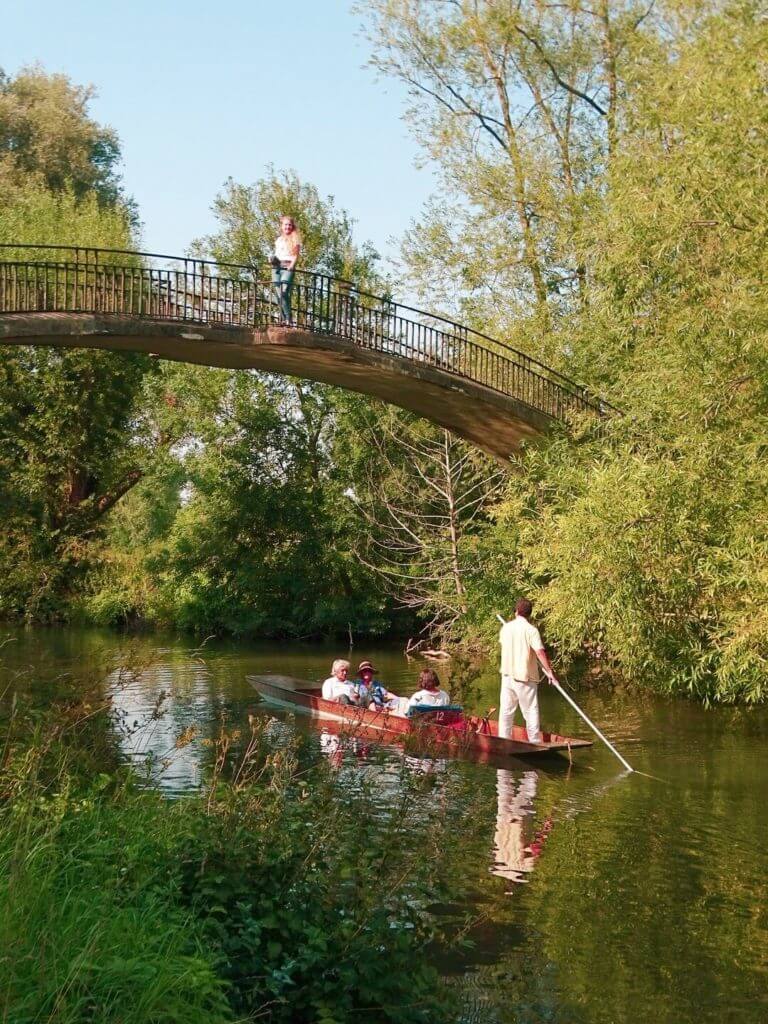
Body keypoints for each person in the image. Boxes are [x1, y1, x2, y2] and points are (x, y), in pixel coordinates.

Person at [498, 598, 559, 744]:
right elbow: (539, 652)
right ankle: (535, 742)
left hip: (507, 676)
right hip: (524, 677)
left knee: (506, 712)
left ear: (517, 611)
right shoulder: (531, 630)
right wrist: (549, 672)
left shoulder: (506, 628)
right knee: (530, 712)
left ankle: (503, 740)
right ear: (529, 614)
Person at [271, 215, 301, 324]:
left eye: (289, 225)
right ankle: (283, 319)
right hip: (277, 266)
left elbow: (296, 255)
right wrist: (272, 260)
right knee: (279, 294)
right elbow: (278, 254)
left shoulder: (295, 238)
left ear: (292, 226)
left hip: (288, 266)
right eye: (285, 225)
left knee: (284, 292)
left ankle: (288, 318)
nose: (287, 227)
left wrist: (292, 265)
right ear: (282, 226)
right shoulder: (279, 239)